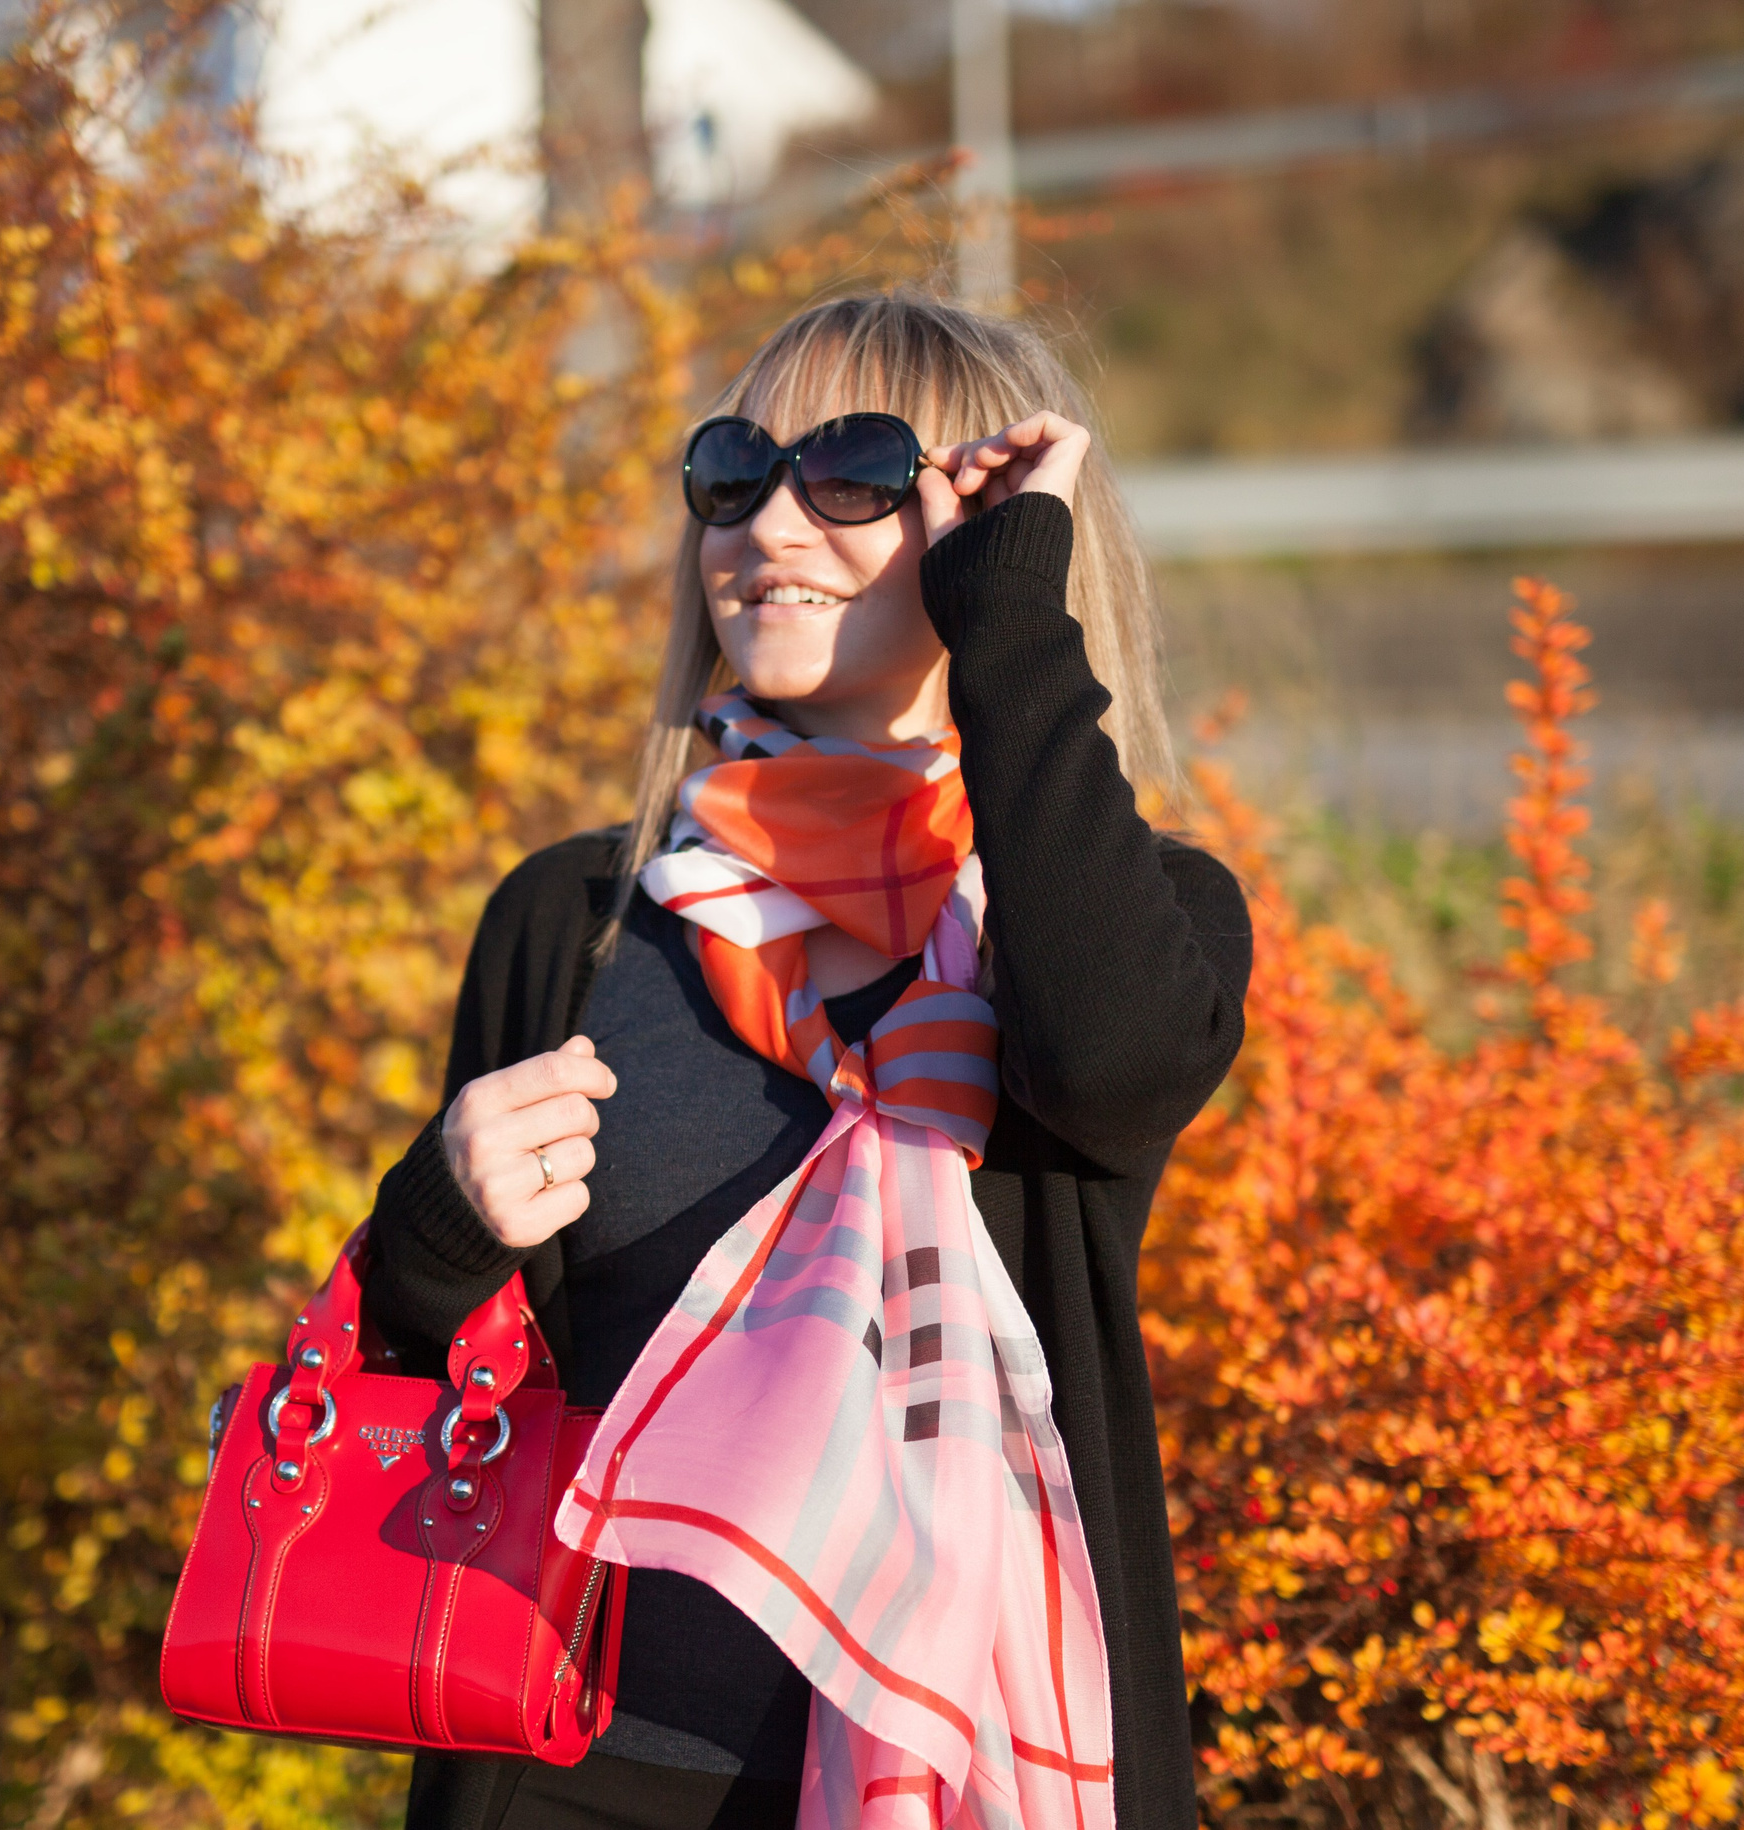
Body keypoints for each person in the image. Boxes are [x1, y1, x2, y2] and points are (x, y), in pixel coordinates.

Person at [360, 290, 1252, 1830]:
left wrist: (1014, 626)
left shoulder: (1118, 911)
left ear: (984, 537)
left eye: (848, 471)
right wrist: (440, 1218)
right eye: (732, 470)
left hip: (958, 1767)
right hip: (572, 1765)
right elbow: (418, 1362)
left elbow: (1110, 1067)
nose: (765, 520)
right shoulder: (573, 917)